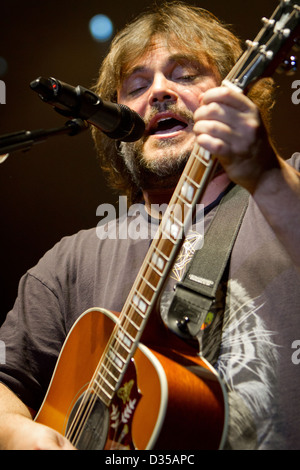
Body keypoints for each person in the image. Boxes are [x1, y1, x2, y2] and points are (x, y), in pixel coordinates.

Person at [0, 1, 299, 450]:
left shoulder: (287, 185)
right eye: (136, 85)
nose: (159, 91)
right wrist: (14, 432)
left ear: (234, 95)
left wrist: (267, 177)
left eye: (185, 75)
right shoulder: (70, 262)